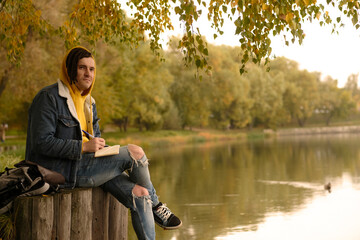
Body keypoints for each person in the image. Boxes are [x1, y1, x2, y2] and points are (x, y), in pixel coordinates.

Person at [25, 46, 182, 239]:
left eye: (91, 69)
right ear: (70, 69)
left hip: (89, 166)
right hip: (62, 171)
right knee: (135, 152)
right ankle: (158, 206)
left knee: (140, 194)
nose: (88, 73)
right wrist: (83, 147)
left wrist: (102, 148)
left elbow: (93, 141)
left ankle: (152, 210)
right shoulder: (49, 97)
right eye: (82, 68)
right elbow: (41, 143)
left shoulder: (89, 103)